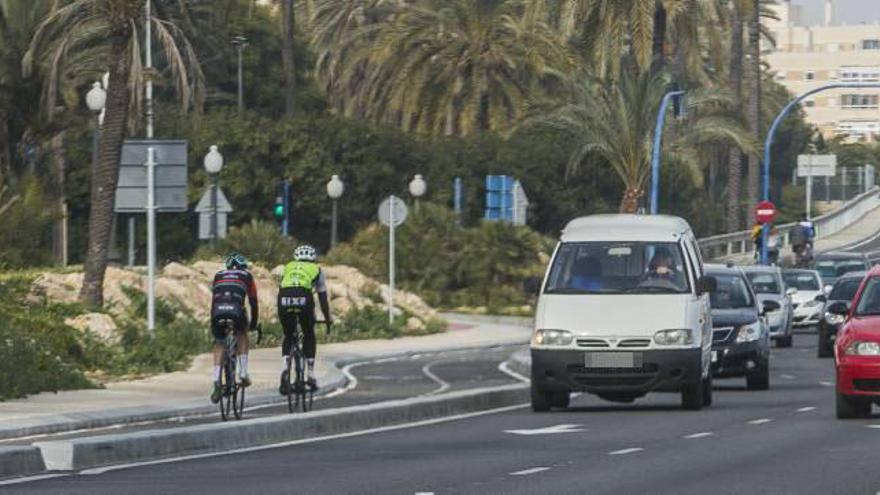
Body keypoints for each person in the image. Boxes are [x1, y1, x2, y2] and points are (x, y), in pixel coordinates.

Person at [278, 245, 333, 393]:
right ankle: (310, 374)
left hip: (284, 297)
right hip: (304, 296)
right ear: (313, 258)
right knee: (309, 334)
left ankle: (284, 368)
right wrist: (327, 319)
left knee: (288, 335)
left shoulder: (287, 267)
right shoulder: (317, 269)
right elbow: (322, 297)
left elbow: (282, 286)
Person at [210, 253, 259, 404]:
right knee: (242, 333)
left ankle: (216, 380)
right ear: (243, 266)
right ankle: (243, 372)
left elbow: (214, 299)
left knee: (219, 342)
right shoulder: (247, 275)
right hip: (236, 309)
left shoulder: (218, 275)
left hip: (218, 310)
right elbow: (253, 302)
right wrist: (253, 324)